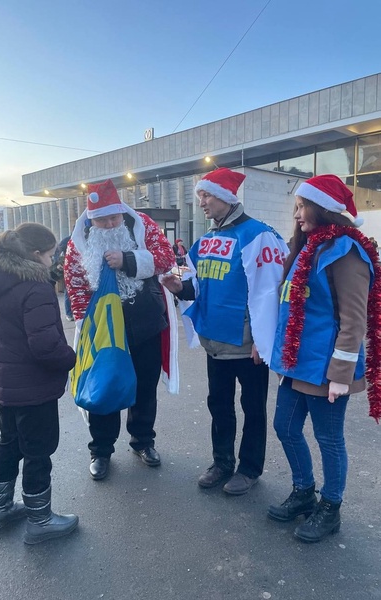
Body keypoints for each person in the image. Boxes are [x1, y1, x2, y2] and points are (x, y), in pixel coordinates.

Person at [268, 174, 381, 543]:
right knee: (284, 427)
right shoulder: (308, 246)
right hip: (297, 362)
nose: (297, 215)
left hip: (326, 367)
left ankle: (330, 507)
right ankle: (304, 491)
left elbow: (353, 320)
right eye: (296, 207)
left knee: (328, 438)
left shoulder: (346, 252)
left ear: (323, 208)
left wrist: (340, 375)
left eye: (302, 207)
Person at [162, 168, 288, 495]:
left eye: (206, 195)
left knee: (253, 409)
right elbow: (196, 286)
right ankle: (222, 462)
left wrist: (265, 340)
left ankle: (249, 469)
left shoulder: (259, 235)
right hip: (214, 343)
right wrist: (180, 288)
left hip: (248, 347)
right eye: (199, 196)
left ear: (227, 197)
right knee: (218, 405)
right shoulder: (205, 240)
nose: (201, 202)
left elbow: (270, 292)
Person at [0, 223, 79, 544]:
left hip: (5, 382)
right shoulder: (35, 286)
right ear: (34, 254)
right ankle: (40, 519)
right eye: (50, 254)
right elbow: (46, 346)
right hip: (34, 386)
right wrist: (71, 359)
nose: (53, 259)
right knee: (38, 450)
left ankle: (0, 509)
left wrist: (6, 350)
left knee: (9, 442)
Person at [64, 179, 175, 481]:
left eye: (113, 217)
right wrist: (84, 323)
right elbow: (74, 283)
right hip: (104, 327)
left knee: (144, 386)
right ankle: (100, 450)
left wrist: (128, 260)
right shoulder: (79, 241)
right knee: (105, 384)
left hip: (143, 321)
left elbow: (166, 258)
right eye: (102, 219)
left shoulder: (143, 225)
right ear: (91, 218)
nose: (110, 223)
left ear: (121, 212)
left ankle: (143, 441)